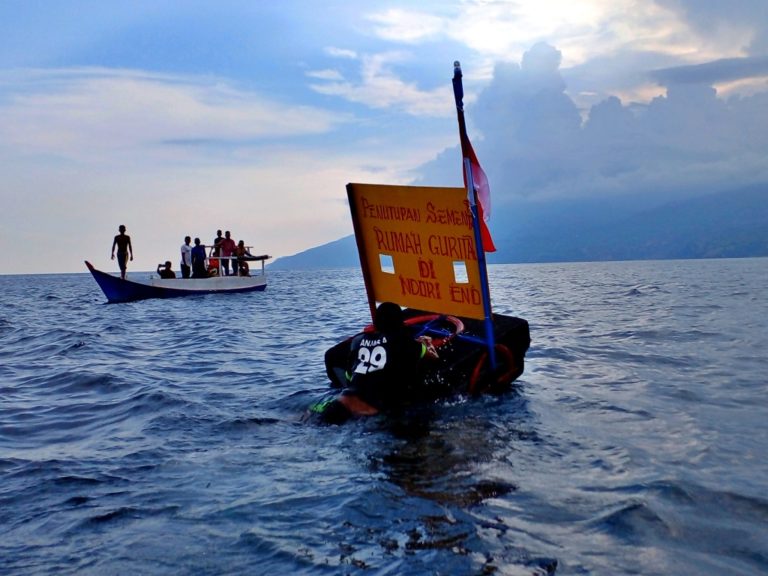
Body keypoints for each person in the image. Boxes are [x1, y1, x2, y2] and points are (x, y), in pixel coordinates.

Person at [314, 302, 438, 423]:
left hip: (341, 403)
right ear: (400, 323)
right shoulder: (405, 342)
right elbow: (433, 357)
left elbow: (349, 377)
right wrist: (427, 343)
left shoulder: (357, 341)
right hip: (369, 412)